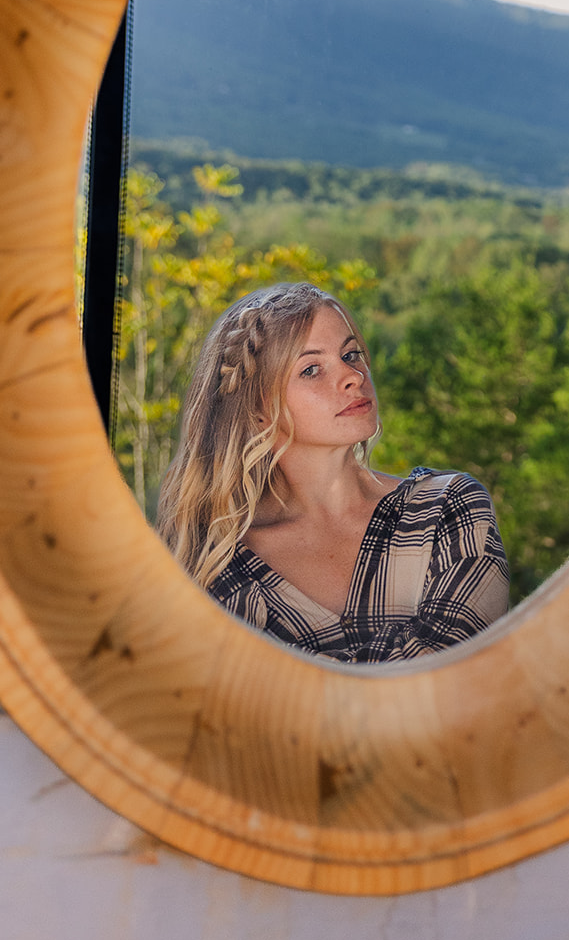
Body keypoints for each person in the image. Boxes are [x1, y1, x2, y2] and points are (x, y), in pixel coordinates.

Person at [156, 282, 510, 662]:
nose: (353, 377)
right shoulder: (219, 560)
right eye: (311, 369)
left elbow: (453, 676)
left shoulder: (446, 507)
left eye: (351, 354)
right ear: (257, 410)